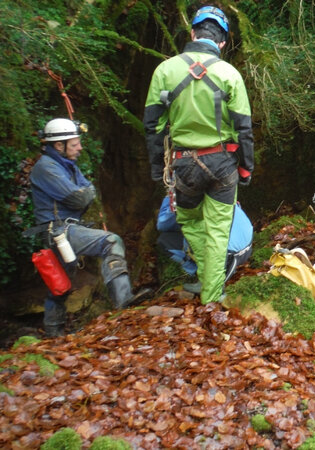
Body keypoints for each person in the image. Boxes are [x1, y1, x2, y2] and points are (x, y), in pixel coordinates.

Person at [144, 6, 254, 304]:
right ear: (222, 42)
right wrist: (246, 169)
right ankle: (212, 295)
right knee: (218, 230)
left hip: (184, 165)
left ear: (192, 33)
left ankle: (208, 281)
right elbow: (244, 128)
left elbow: (153, 126)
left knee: (190, 222)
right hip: (222, 164)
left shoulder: (165, 71)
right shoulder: (229, 73)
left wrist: (157, 169)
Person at [29, 118, 151, 337]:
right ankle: (123, 300)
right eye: (75, 144)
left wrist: (85, 192)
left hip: (62, 232)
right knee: (110, 241)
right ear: (59, 145)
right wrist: (85, 192)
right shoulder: (47, 168)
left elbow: (87, 191)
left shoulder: (67, 166)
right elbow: (79, 198)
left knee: (60, 285)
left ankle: (53, 334)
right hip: (59, 232)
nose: (80, 148)